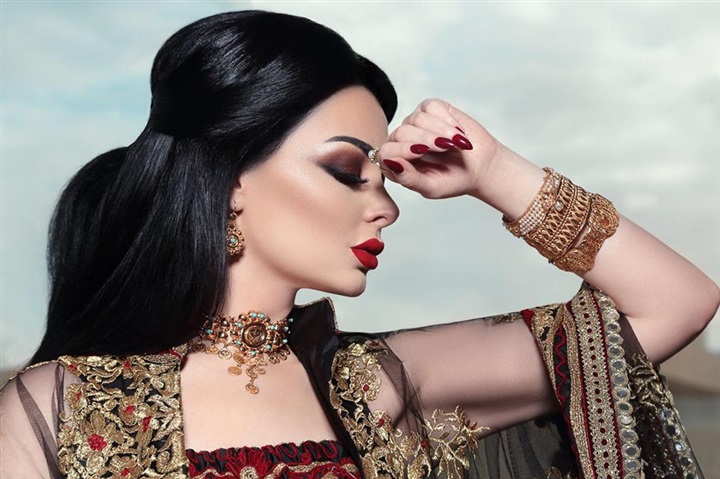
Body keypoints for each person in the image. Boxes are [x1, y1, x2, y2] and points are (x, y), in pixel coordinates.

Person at [0, 10, 717, 479]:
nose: (386, 208)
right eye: (347, 171)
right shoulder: (61, 407)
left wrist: (498, 173)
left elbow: (675, 304)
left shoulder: (375, 384)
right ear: (231, 180)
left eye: (383, 178)